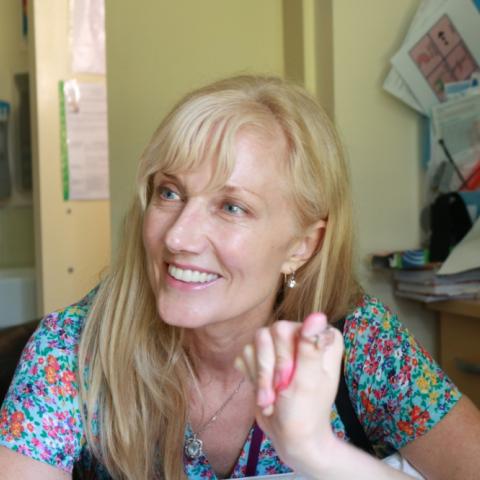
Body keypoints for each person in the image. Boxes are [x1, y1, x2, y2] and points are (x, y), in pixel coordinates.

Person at [0, 75, 479, 480]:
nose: (178, 237)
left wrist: (317, 452)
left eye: (232, 207)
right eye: (169, 193)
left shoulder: (360, 344)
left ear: (302, 245)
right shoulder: (74, 348)